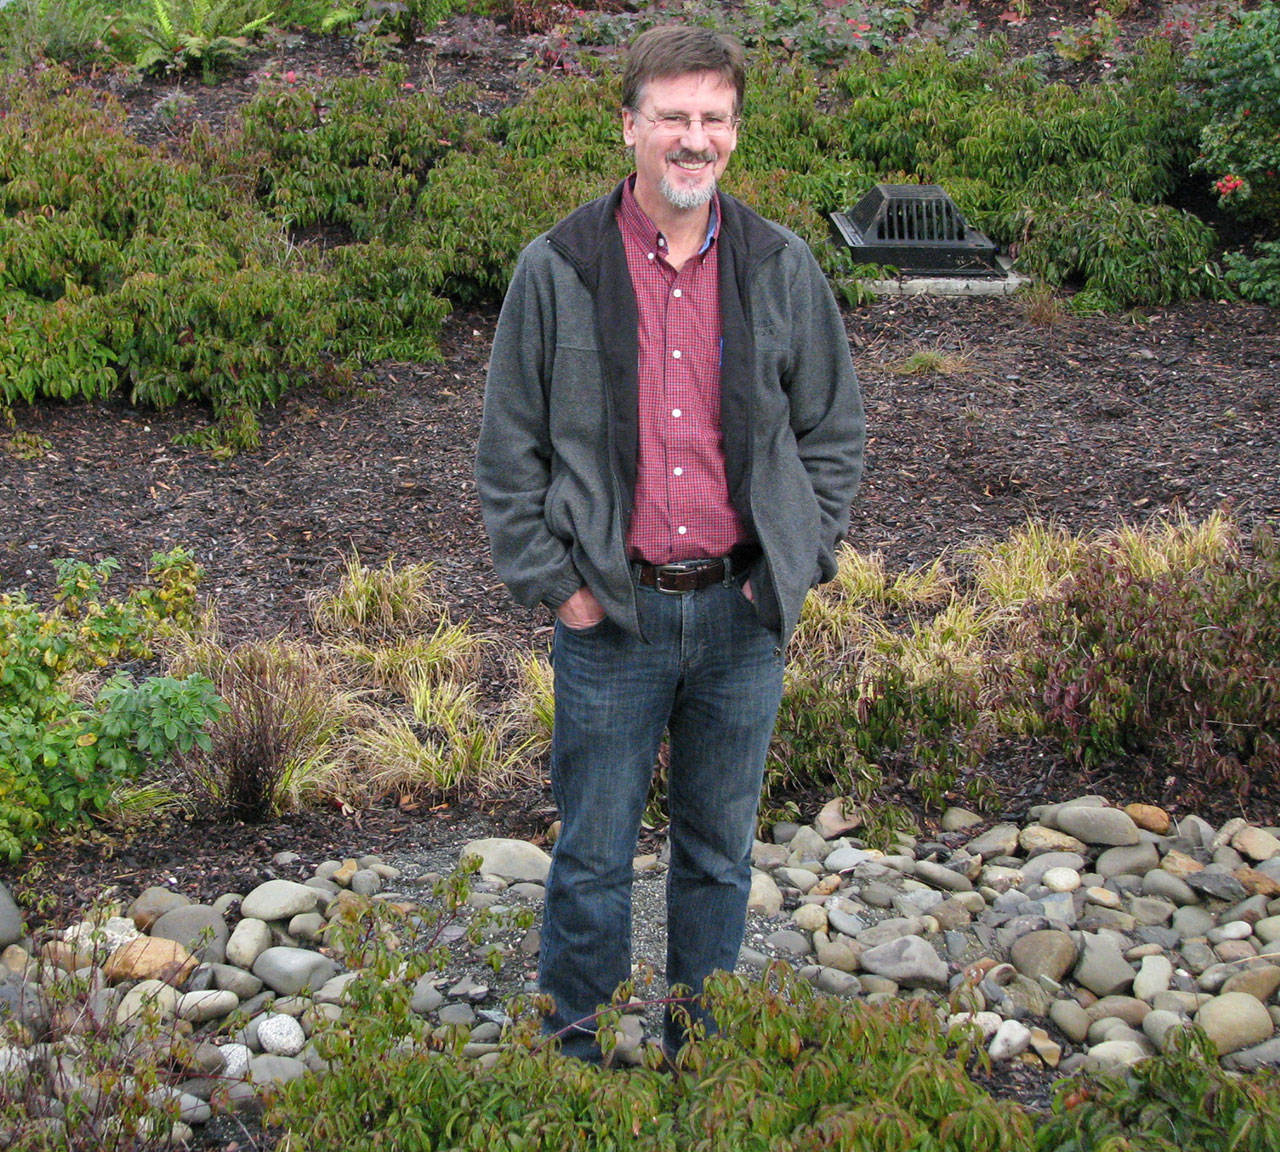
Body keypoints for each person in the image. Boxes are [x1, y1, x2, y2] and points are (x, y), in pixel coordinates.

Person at [475, 24, 864, 1062]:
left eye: (713, 118)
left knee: (718, 856)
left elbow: (832, 435)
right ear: (629, 127)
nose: (695, 139)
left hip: (741, 617)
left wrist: (795, 563)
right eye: (673, 117)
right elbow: (508, 453)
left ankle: (703, 1058)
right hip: (612, 618)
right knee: (592, 859)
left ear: (733, 131)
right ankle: (577, 1061)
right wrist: (560, 588)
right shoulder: (558, 269)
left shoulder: (778, 265)